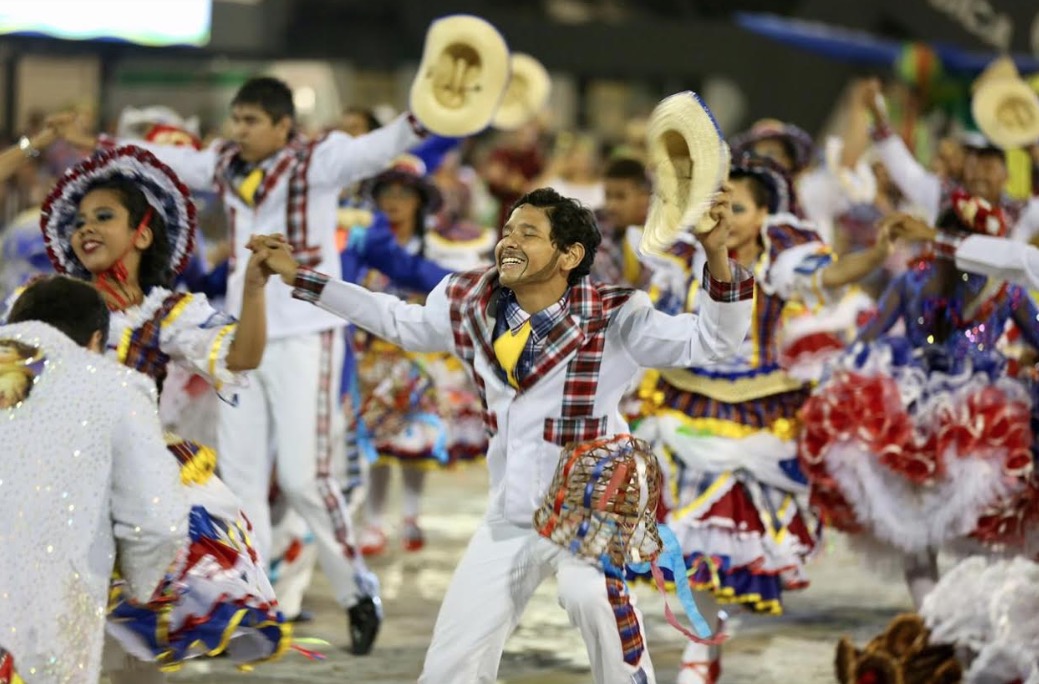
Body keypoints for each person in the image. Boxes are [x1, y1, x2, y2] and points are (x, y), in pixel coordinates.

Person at [254, 185, 755, 684]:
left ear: (569, 255)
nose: (510, 241)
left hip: (587, 515)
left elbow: (710, 341)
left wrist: (716, 254)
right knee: (450, 666)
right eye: (509, 230)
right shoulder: (469, 301)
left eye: (529, 233)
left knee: (591, 598)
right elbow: (397, 320)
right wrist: (301, 277)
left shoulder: (616, 315)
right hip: (509, 516)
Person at [50, 75, 434, 652]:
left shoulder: (320, 161)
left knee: (308, 478)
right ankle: (255, 606)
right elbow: (162, 156)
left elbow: (376, 150)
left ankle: (356, 588)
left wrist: (428, 114)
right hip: (242, 335)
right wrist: (96, 143)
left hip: (308, 331)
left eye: (252, 121)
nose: (240, 130)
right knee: (243, 479)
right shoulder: (226, 164)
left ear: (285, 126)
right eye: (237, 119)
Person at [631, 154, 893, 682]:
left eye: (740, 206)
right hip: (687, 408)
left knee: (727, 545)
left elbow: (836, 271)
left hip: (762, 418)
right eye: (719, 202)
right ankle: (700, 650)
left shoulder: (783, 263)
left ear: (764, 216)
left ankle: (705, 645)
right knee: (690, 538)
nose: (725, 214)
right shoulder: (682, 259)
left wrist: (880, 253)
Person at [35, 144, 292, 680]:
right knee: (57, 636)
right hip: (52, 479)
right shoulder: (44, 302)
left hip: (131, 479)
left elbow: (240, 356)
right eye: (81, 220)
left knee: (139, 643)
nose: (88, 228)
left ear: (143, 234)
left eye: (104, 217)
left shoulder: (167, 313)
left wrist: (253, 287)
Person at [799, 191, 1039, 611]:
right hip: (984, 416)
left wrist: (838, 383)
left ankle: (933, 616)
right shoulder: (1008, 291)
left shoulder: (913, 280)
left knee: (915, 527)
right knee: (977, 522)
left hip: (909, 408)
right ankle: (958, 619)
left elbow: (868, 337)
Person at [0, 275, 191, 684]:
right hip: (40, 632)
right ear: (95, 341)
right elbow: (156, 522)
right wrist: (139, 587)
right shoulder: (115, 387)